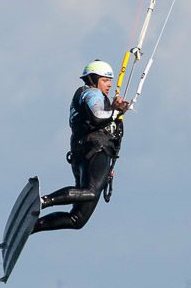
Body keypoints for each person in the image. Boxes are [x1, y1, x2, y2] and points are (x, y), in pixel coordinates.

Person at [32, 60, 130, 233]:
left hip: (89, 153)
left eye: (110, 80)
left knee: (77, 219)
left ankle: (32, 227)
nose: (109, 84)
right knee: (90, 192)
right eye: (105, 80)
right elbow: (98, 117)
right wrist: (117, 112)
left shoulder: (93, 95)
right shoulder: (92, 93)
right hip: (94, 151)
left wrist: (114, 110)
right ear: (93, 79)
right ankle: (43, 202)